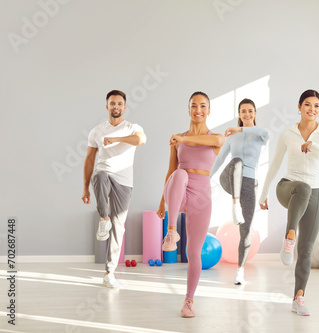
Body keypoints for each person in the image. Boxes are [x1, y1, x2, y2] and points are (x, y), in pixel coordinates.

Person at [259, 90, 319, 316]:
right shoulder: (288, 134)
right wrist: (263, 194)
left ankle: (298, 297)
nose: (312, 109)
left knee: (306, 250)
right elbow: (275, 164)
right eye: (308, 105)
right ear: (299, 107)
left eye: (317, 106)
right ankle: (289, 236)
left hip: (316, 193)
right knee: (303, 187)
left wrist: (316, 146)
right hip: (289, 187)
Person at [157, 91, 224, 318]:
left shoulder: (217, 138)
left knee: (193, 252)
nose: (198, 110)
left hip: (201, 198)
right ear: (188, 109)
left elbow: (211, 141)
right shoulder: (177, 139)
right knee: (180, 174)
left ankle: (188, 301)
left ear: (208, 110)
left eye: (203, 106)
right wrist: (161, 203)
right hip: (179, 192)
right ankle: (172, 231)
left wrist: (183, 139)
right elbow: (170, 172)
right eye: (194, 106)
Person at [82, 90, 147, 289]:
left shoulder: (132, 127)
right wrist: (85, 187)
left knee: (119, 228)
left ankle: (109, 272)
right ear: (107, 106)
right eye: (112, 103)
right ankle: (103, 219)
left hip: (125, 182)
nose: (116, 107)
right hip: (105, 173)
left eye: (119, 103)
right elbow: (90, 160)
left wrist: (117, 139)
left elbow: (141, 139)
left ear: (124, 107)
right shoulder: (96, 131)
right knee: (99, 175)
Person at [211, 98, 269, 285]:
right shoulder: (232, 137)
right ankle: (235, 205)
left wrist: (241, 129)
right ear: (239, 114)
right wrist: (207, 178)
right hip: (229, 179)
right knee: (237, 161)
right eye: (243, 111)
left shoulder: (259, 135)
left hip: (249, 184)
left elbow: (265, 132)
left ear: (255, 113)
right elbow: (220, 159)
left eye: (250, 111)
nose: (247, 114)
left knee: (245, 231)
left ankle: (240, 272)